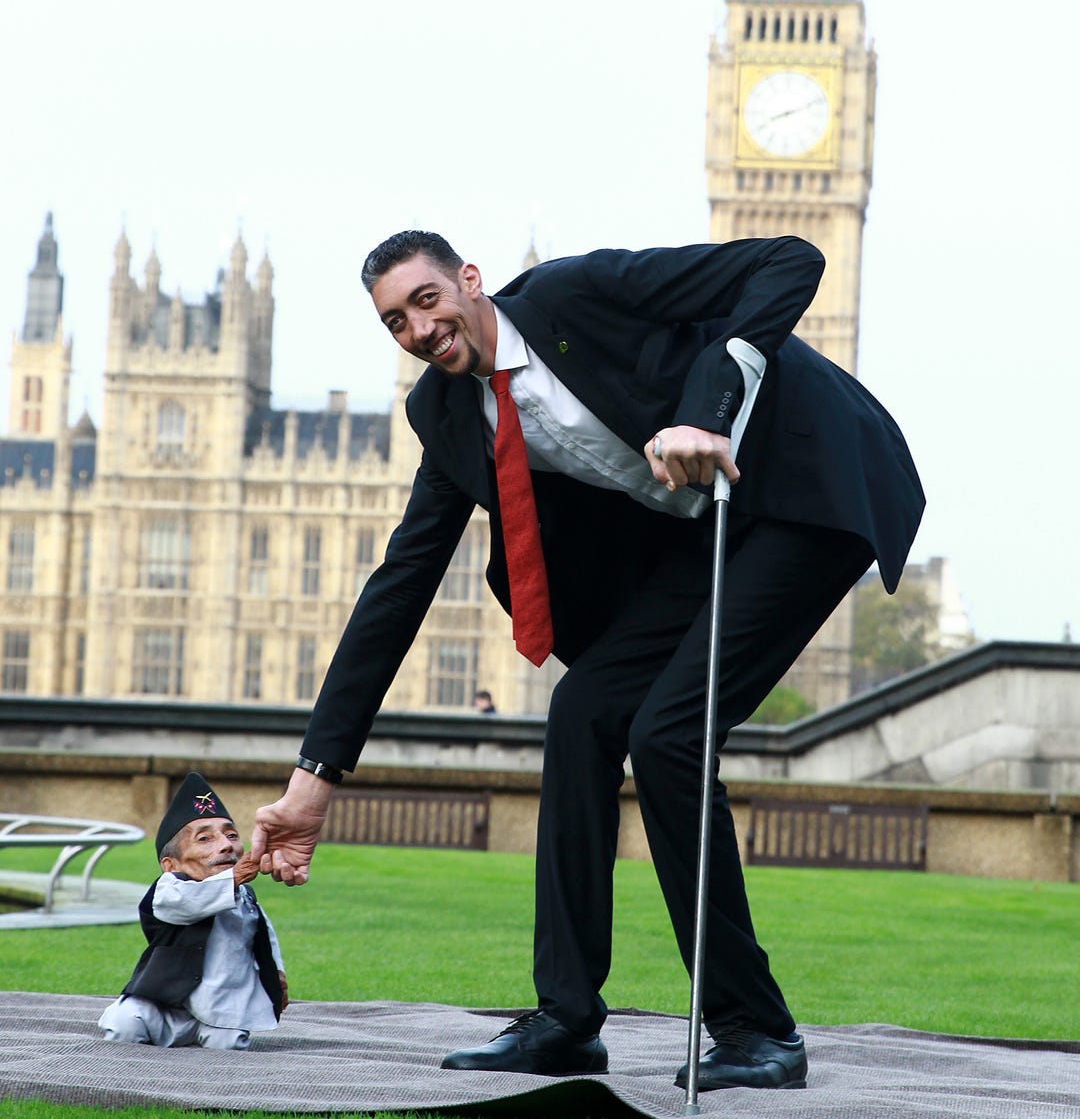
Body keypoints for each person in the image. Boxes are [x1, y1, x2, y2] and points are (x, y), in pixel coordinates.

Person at [251, 231, 923, 1091]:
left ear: (468, 280)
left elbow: (790, 259)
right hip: (703, 537)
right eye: (394, 323)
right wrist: (315, 778)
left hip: (805, 487)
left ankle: (756, 1031)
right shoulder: (448, 415)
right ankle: (566, 1020)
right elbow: (398, 587)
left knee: (670, 735)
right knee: (581, 713)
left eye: (426, 301)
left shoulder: (580, 294)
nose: (418, 329)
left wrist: (708, 411)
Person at [100, 772, 287, 1050]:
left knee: (229, 1046)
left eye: (232, 835)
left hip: (222, 1006)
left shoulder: (245, 896)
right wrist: (234, 878)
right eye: (204, 839)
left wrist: (277, 975)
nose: (226, 845)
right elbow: (188, 904)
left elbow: (263, 934)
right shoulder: (169, 889)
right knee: (125, 1024)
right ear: (170, 864)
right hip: (162, 1001)